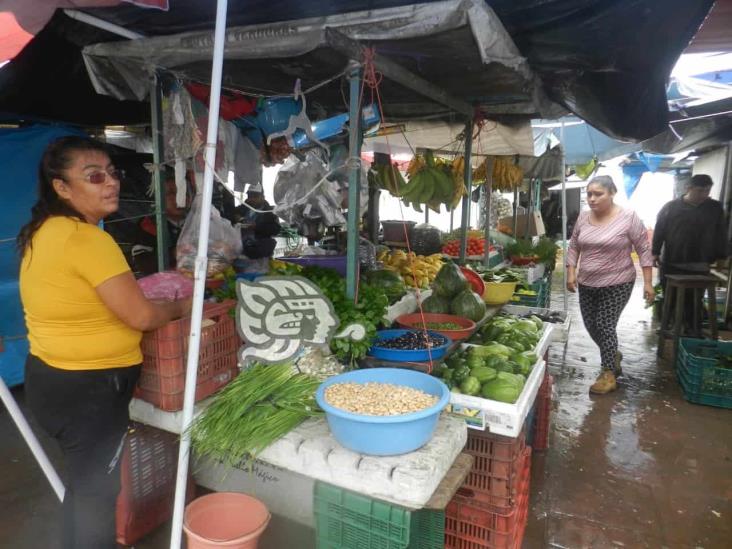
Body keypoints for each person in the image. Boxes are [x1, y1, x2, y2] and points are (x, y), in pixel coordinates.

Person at [17, 137, 191, 549]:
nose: (110, 183)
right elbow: (142, 316)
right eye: (94, 177)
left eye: (113, 173)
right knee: (98, 495)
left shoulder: (46, 231)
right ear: (61, 187)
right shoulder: (88, 240)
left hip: (50, 382)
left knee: (83, 486)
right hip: (89, 391)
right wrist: (183, 306)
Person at [566, 175, 655, 395]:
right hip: (587, 282)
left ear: (612, 193)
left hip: (619, 281)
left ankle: (608, 373)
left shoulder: (628, 217)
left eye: (598, 194)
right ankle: (612, 353)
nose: (592, 199)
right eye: (589, 194)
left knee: (604, 324)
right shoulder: (584, 218)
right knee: (591, 326)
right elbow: (575, 245)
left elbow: (643, 249)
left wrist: (649, 282)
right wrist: (570, 272)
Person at [652, 174, 728, 283]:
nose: (704, 195)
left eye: (707, 191)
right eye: (700, 191)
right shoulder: (671, 207)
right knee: (670, 297)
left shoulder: (715, 208)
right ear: (689, 188)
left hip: (701, 262)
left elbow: (721, 233)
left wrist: (722, 256)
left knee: (696, 298)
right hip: (673, 260)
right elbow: (659, 230)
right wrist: (655, 252)